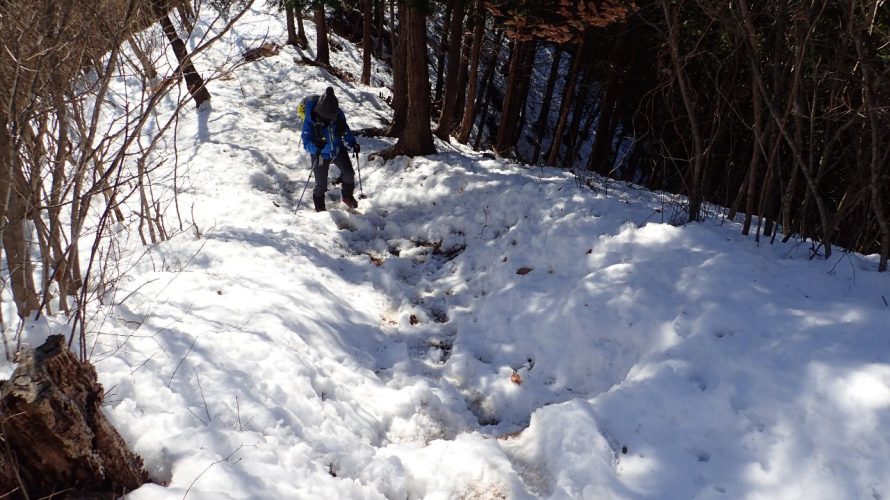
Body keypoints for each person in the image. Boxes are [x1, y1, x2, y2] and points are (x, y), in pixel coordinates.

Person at [302, 87, 361, 212]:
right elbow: (306, 142)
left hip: (337, 149)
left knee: (349, 174)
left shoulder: (337, 114)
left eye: (330, 118)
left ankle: (347, 196)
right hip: (320, 154)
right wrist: (315, 146)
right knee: (321, 186)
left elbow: (345, 129)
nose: (328, 121)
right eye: (325, 119)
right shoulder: (310, 119)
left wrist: (352, 143)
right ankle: (320, 208)